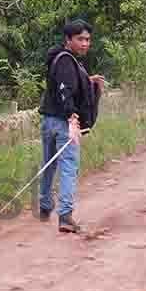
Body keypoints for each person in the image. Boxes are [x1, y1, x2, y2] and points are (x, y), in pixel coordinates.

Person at [36, 20, 104, 233]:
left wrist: (88, 79)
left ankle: (45, 207)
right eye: (80, 39)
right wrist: (72, 117)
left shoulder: (60, 59)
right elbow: (65, 90)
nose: (85, 44)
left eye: (88, 39)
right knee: (69, 167)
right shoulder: (67, 61)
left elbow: (66, 83)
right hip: (64, 122)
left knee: (49, 164)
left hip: (49, 120)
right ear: (68, 40)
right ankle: (65, 216)